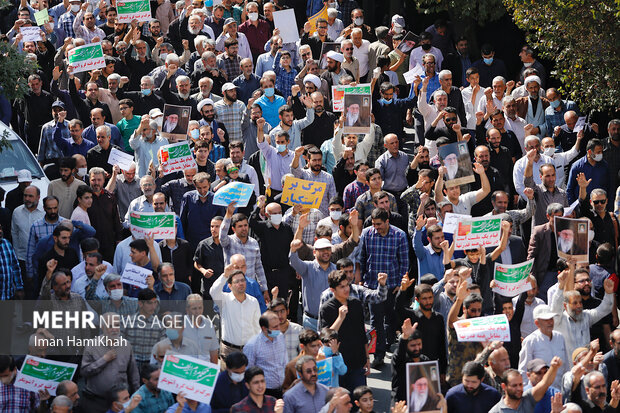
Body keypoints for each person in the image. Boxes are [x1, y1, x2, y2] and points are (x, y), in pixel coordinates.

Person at [359, 208, 409, 368]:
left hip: (392, 286)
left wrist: (400, 283)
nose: (376, 227)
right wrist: (361, 279)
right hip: (373, 286)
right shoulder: (367, 234)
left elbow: (404, 261)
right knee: (375, 321)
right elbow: (362, 257)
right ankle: (378, 354)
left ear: (387, 221)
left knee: (391, 318)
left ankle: (387, 343)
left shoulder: (399, 235)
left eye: (379, 224)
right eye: (374, 224)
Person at [320, 269, 369, 392]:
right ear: (333, 290)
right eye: (342, 287)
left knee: (359, 401)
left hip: (358, 361)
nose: (346, 289)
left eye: (347, 285)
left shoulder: (356, 304)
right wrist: (340, 318)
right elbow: (326, 337)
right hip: (338, 363)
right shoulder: (326, 308)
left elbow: (362, 334)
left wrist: (367, 358)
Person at [210, 265, 261, 359]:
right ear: (230, 286)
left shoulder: (253, 301)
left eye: (243, 280)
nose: (241, 283)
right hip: (229, 350)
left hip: (249, 350)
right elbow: (213, 291)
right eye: (237, 281)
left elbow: (257, 326)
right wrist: (225, 275)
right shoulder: (224, 299)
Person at [488, 358, 563, 413]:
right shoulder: (497, 411)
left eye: (520, 384)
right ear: (504, 387)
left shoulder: (528, 398)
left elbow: (545, 383)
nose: (519, 388)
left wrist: (553, 367)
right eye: (514, 385)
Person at [243, 311, 288, 398]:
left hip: (282, 389)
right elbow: (249, 371)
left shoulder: (280, 337)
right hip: (264, 392)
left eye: (279, 325)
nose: (279, 329)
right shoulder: (252, 345)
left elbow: (284, 362)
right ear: (264, 328)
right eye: (275, 327)